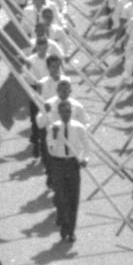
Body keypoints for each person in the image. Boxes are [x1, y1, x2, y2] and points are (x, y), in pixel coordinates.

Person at [45, 99, 92, 245]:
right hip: (58, 164)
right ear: (59, 113)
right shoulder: (53, 127)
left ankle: (70, 230)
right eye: (63, 112)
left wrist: (85, 159)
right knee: (61, 197)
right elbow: (51, 150)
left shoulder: (78, 127)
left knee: (73, 198)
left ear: (71, 112)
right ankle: (63, 221)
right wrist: (54, 136)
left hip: (73, 163)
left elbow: (87, 146)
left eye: (68, 111)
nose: (66, 114)